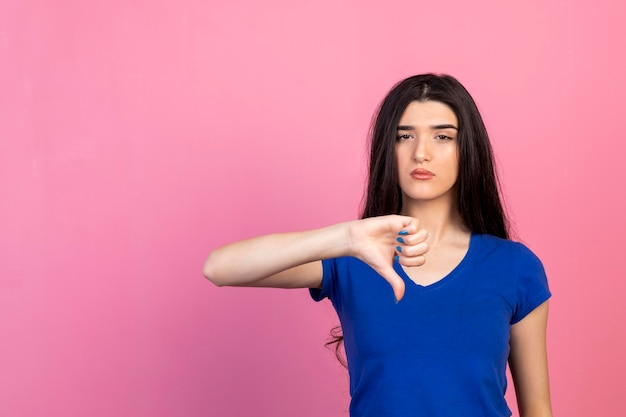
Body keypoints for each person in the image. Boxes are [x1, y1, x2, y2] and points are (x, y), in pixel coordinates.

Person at [203, 74, 552, 417]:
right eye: (404, 136)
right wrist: (348, 237)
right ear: (388, 148)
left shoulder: (515, 267)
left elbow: (537, 409)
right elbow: (219, 268)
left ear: (468, 149)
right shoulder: (351, 257)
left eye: (443, 136)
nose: (421, 153)